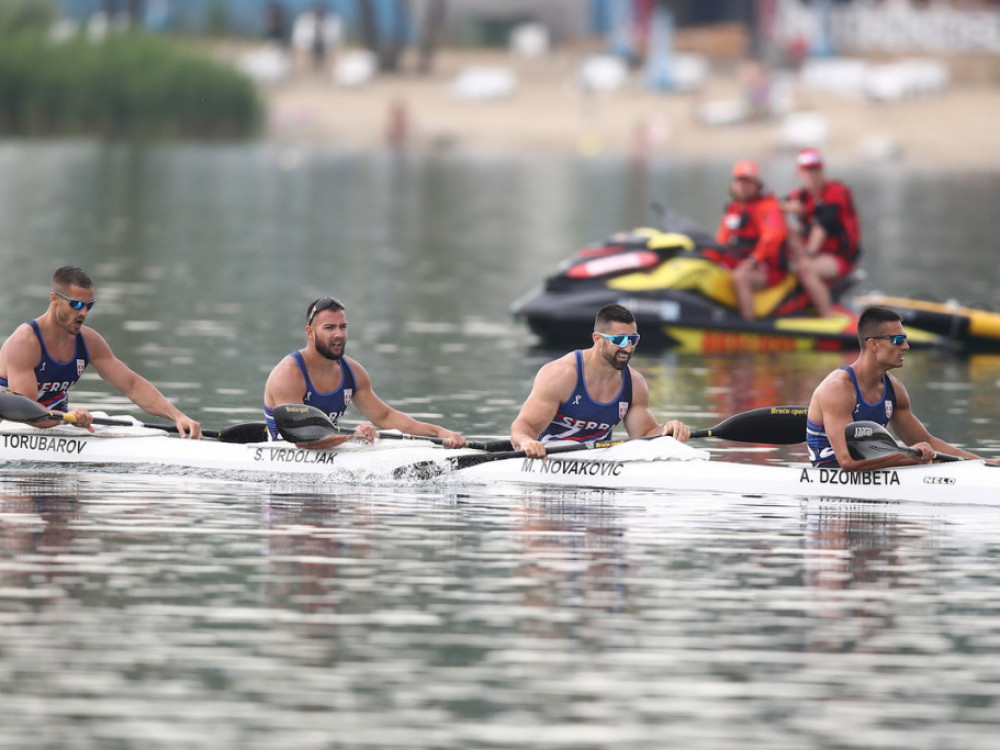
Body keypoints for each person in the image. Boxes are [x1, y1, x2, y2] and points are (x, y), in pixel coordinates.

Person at [0, 266, 202, 438]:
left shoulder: (89, 341)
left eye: (89, 306)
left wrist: (177, 416)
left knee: (122, 421)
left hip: (58, 425)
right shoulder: (25, 341)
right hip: (13, 425)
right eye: (76, 304)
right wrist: (71, 419)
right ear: (54, 299)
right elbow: (27, 413)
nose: (83, 313)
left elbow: (131, 385)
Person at [263, 296, 466, 450]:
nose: (338, 334)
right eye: (329, 328)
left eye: (343, 327)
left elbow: (386, 417)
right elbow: (301, 439)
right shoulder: (288, 374)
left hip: (328, 448)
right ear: (310, 332)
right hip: (287, 457)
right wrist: (353, 436)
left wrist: (439, 431)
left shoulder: (353, 372)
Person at [806, 306, 985, 470]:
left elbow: (926, 441)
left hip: (873, 465)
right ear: (873, 344)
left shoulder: (895, 390)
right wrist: (908, 457)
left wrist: (983, 462)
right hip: (832, 472)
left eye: (905, 339)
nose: (906, 346)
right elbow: (848, 463)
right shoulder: (838, 388)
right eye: (898, 340)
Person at [510, 303, 691, 459]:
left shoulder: (634, 384)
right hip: (551, 457)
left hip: (601, 461)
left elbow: (643, 435)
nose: (628, 348)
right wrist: (527, 442)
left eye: (633, 340)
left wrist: (668, 429)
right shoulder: (560, 375)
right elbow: (523, 426)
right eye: (620, 340)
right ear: (597, 339)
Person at [783, 148, 861, 317]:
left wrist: (807, 256)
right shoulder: (799, 196)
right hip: (813, 254)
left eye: (815, 169)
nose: (812, 175)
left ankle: (827, 316)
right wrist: (789, 208)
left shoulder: (835, 192)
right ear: (799, 172)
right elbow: (771, 207)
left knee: (805, 269)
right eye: (807, 170)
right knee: (786, 231)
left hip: (838, 257)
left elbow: (822, 226)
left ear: (822, 170)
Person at [714, 160, 790, 321]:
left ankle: (748, 324)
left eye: (748, 182)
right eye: (740, 181)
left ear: (757, 185)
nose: (743, 186)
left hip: (767, 268)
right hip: (739, 262)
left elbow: (774, 236)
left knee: (741, 277)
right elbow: (721, 240)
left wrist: (755, 259)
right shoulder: (732, 208)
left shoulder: (768, 207)